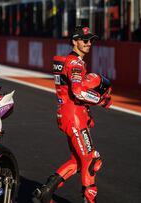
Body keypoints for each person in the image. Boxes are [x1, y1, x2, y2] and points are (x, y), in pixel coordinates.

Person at [33, 26, 112, 203]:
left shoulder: (69, 61)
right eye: (85, 40)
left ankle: (45, 193)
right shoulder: (75, 63)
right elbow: (77, 91)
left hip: (69, 114)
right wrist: (100, 100)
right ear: (74, 41)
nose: (89, 43)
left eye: (91, 40)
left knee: (78, 160)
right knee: (91, 161)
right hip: (74, 115)